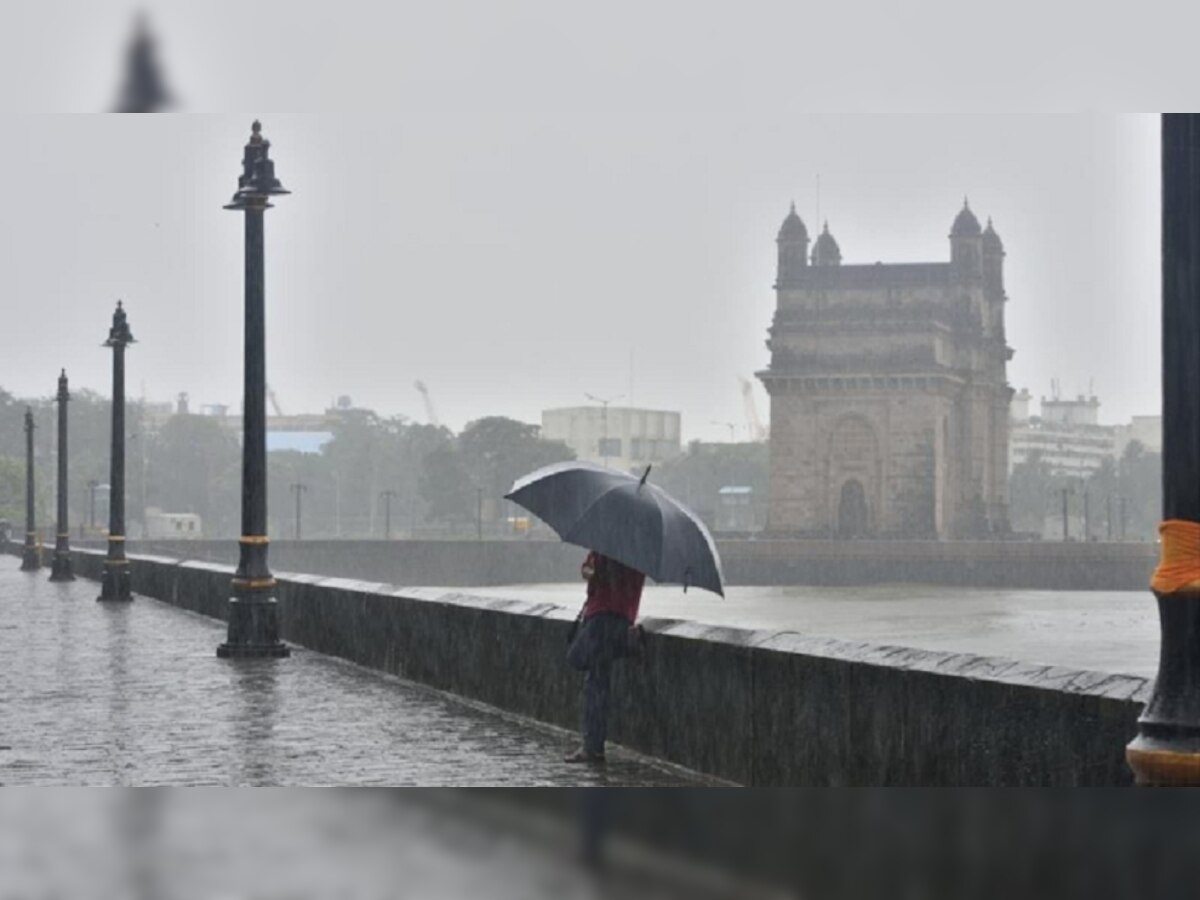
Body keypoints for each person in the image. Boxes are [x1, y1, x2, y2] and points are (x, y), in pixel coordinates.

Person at [564, 550, 645, 764]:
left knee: (592, 679)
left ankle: (592, 748)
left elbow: (591, 572)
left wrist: (592, 572)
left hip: (601, 617)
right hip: (624, 617)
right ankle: (627, 642)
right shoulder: (639, 551)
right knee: (598, 680)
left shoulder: (607, 546)